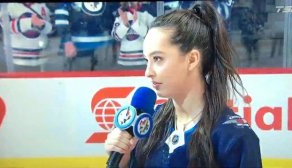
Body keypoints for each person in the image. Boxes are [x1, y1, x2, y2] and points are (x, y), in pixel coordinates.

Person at [104, 1, 262, 168]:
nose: (148, 72)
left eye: (157, 58)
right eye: (146, 60)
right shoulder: (147, 124)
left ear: (192, 59)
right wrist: (124, 159)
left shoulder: (235, 138)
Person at [55, 2, 115, 71]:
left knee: (105, 78)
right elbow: (61, 16)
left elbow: (115, 13)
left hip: (105, 46)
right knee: (79, 78)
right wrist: (67, 41)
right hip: (79, 47)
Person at [0, 3, 52, 69]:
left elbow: (50, 28)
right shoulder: (9, 6)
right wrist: (30, 22)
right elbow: (6, 26)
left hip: (41, 59)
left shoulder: (42, 6)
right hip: (17, 60)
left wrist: (42, 25)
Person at [111, 2, 155, 68]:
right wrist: (125, 25)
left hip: (144, 62)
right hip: (124, 62)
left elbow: (154, 36)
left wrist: (137, 25)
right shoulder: (121, 13)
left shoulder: (147, 12)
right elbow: (115, 36)